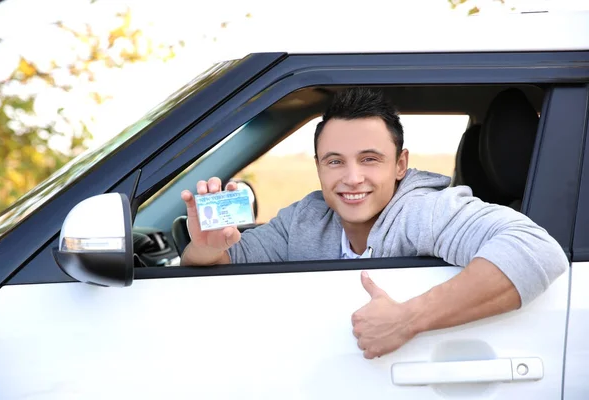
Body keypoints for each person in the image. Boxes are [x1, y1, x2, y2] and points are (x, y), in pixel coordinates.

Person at [180, 87, 568, 359]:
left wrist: (409, 318)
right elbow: (229, 267)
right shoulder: (305, 218)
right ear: (318, 166)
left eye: (369, 159)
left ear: (400, 165)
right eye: (334, 161)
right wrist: (207, 248)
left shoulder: (424, 210)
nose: (351, 178)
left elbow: (537, 250)